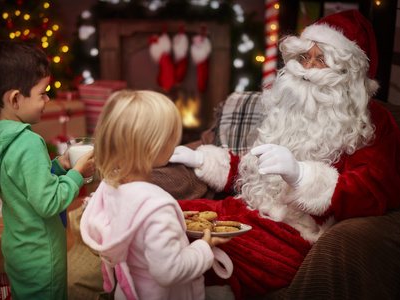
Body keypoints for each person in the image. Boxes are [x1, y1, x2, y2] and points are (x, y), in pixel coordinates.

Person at [169, 9, 400, 299]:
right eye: (304, 57)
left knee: (188, 257)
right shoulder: (289, 106)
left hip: (293, 237)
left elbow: (377, 188)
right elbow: (256, 169)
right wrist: (204, 160)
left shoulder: (373, 121)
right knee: (163, 215)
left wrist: (302, 176)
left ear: (348, 72)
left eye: (321, 59)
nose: (307, 68)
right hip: (244, 213)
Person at [80, 90, 233, 300]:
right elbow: (169, 271)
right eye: (171, 134)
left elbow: (134, 222)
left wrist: (175, 216)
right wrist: (203, 248)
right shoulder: (157, 207)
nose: (176, 140)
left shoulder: (110, 187)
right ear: (153, 145)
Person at [0, 40, 96, 299]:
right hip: (42, 256)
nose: (47, 99)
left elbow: (22, 181)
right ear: (16, 98)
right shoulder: (27, 142)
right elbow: (49, 202)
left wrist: (59, 165)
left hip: (18, 249)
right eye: (42, 93)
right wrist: (77, 175)